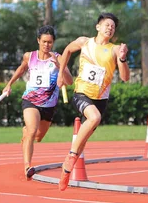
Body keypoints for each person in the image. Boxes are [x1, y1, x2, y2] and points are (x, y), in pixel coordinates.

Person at [55, 13, 130, 191]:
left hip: (100, 99)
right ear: (98, 27)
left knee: (83, 140)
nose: (110, 28)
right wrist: (61, 73)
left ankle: (65, 172)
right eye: (107, 25)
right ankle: (71, 156)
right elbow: (66, 51)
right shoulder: (84, 42)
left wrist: (123, 58)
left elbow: (125, 77)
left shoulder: (115, 49)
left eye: (113, 26)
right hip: (81, 93)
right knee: (94, 118)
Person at [2, 25, 73, 181]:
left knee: (38, 137)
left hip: (49, 105)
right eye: (44, 42)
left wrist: (59, 67)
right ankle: (27, 166)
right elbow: (21, 70)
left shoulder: (58, 58)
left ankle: (26, 133)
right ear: (38, 41)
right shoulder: (30, 56)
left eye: (50, 42)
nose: (46, 45)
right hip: (31, 101)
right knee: (32, 131)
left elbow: (69, 81)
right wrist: (9, 84)